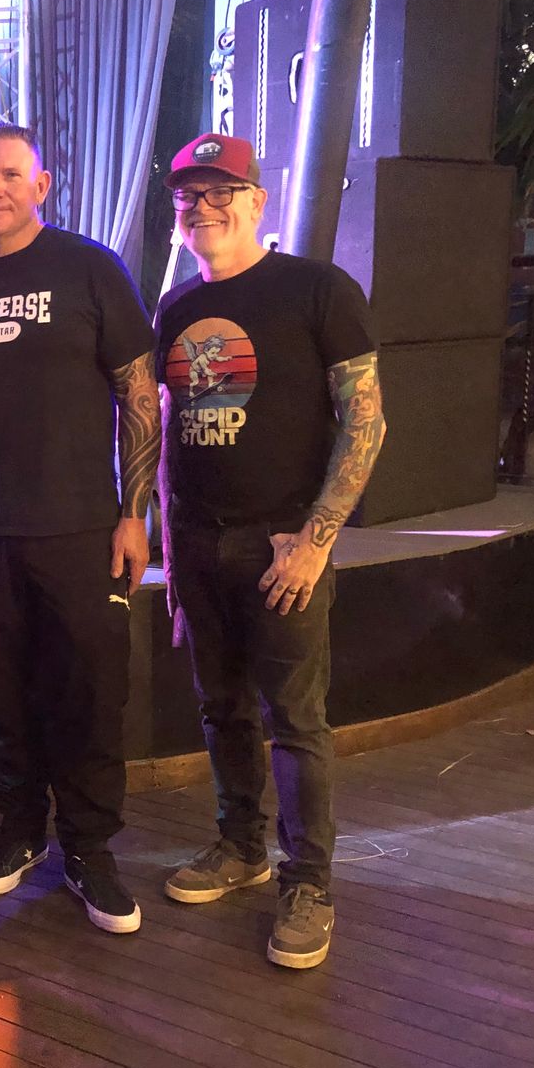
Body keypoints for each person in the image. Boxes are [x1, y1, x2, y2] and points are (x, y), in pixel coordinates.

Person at [0, 123, 161, 935]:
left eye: (11, 175)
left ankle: (90, 848)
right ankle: (19, 829)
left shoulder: (90, 268)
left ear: (41, 186)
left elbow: (139, 395)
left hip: (80, 529)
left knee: (87, 696)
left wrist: (135, 514)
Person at [154, 132, 385, 970]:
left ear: (258, 200)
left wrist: (316, 541)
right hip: (199, 543)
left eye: (222, 192)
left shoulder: (317, 289)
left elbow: (367, 422)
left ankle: (309, 883)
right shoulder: (175, 308)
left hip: (283, 543)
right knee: (221, 709)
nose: (203, 208)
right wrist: (173, 558)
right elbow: (170, 435)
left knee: (295, 722)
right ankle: (241, 847)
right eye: (190, 195)